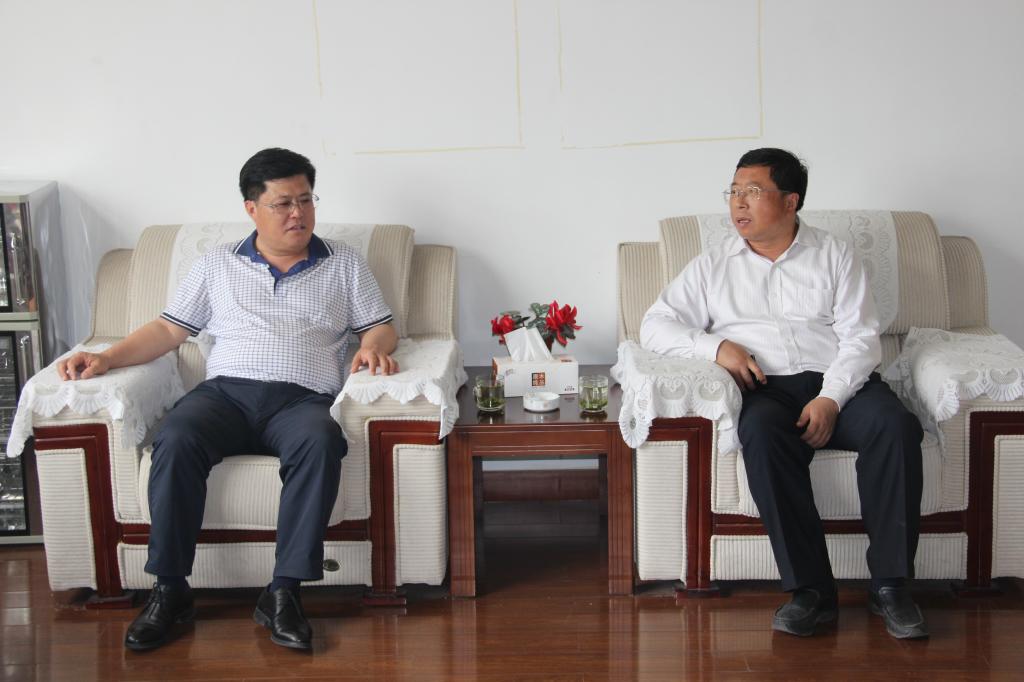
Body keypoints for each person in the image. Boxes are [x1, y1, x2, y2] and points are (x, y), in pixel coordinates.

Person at [58, 147, 399, 651]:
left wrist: (373, 347)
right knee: (175, 437)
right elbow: (168, 330)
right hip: (225, 395)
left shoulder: (343, 262)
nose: (298, 213)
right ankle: (170, 590)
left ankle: (284, 592)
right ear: (252, 208)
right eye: (283, 203)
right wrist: (107, 358)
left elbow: (381, 326)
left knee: (322, 441)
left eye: (306, 200)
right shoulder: (217, 263)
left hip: (302, 400)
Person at [640, 148, 928, 639]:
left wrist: (831, 398)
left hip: (842, 383)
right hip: (767, 389)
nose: (738, 203)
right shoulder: (713, 265)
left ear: (791, 201)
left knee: (896, 425)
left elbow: (861, 339)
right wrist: (717, 347)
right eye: (734, 191)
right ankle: (811, 592)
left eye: (753, 191)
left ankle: (891, 587)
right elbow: (654, 325)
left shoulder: (834, 254)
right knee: (760, 432)